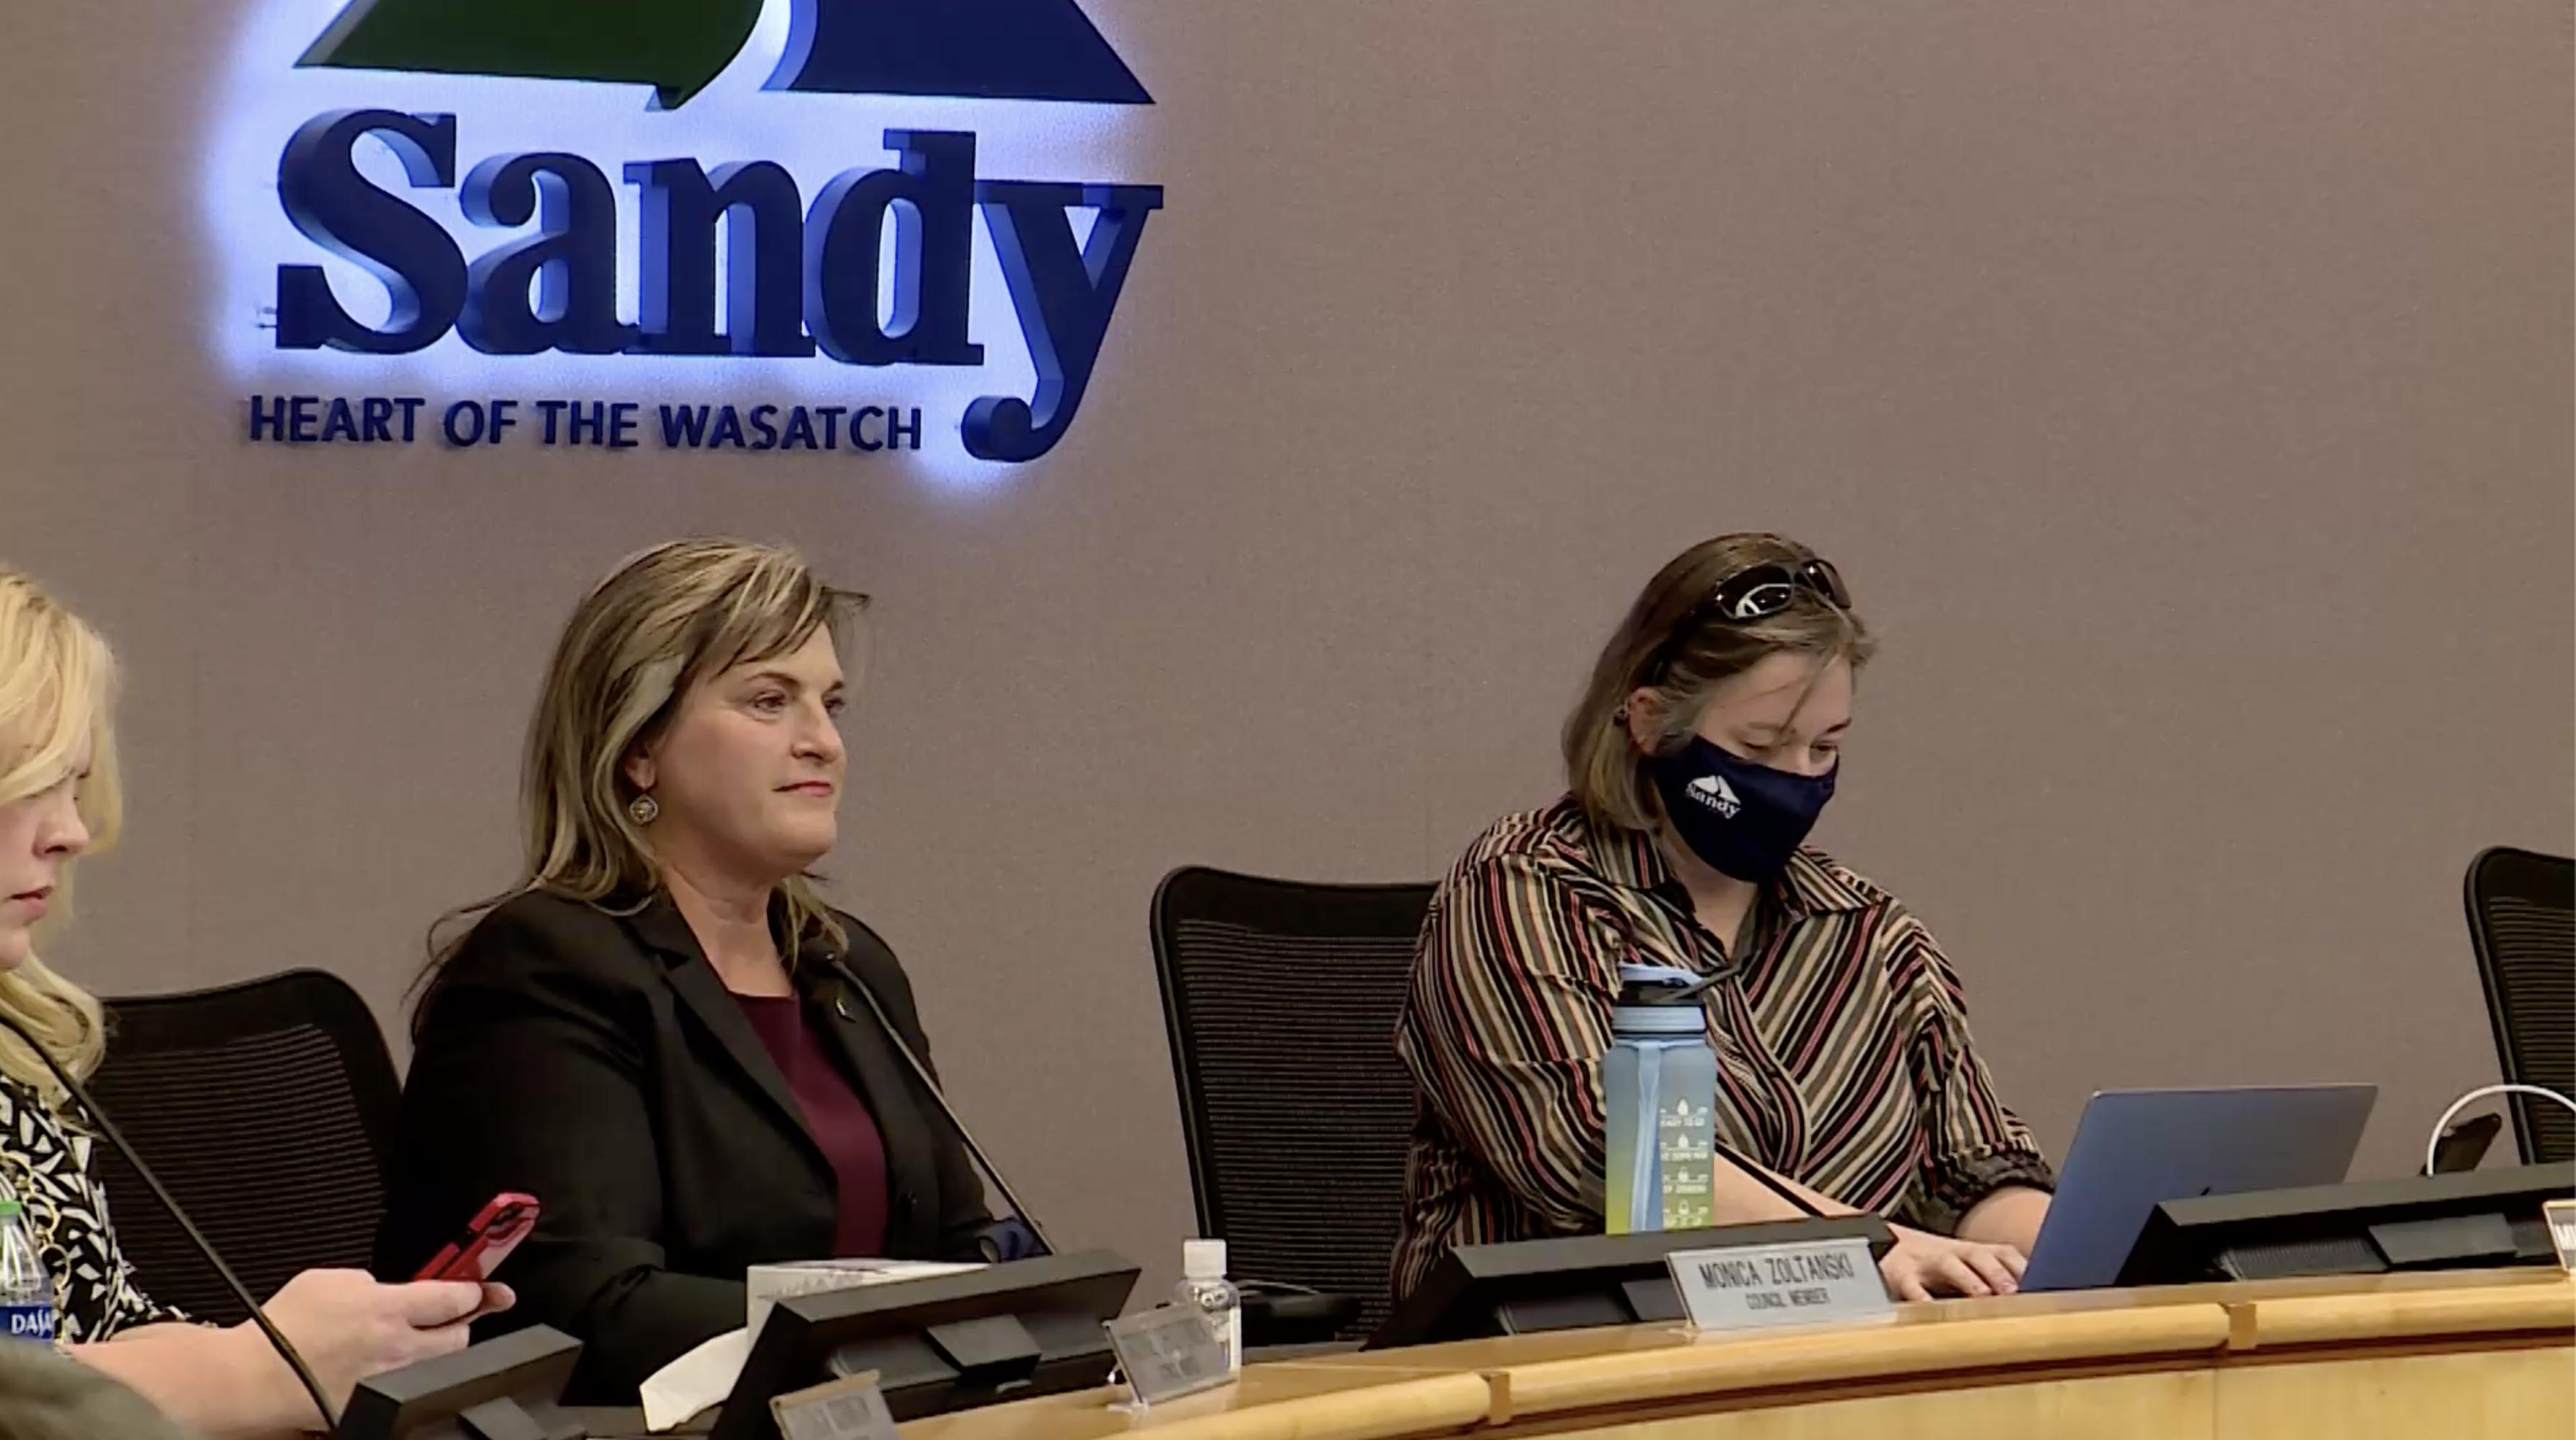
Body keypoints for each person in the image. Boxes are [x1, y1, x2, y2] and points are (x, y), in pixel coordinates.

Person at [376, 539, 1008, 1403]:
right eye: (769, 701)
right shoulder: (549, 966)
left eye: (831, 705)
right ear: (640, 749)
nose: (822, 742)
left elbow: (962, 1248)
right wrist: (881, 1329)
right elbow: (584, 1309)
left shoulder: (846, 966)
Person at [1391, 533, 2054, 1306]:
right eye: (1762, 744)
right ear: (1648, 721)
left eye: (1824, 748)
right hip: (1561, 1375)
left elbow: (1971, 1169)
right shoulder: (1522, 889)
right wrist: (1866, 1246)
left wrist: (2088, 1248)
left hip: (1831, 1380)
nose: (1798, 778)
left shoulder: (1867, 931)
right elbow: (1602, 1158)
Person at [0, 566, 505, 1438]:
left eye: (74, 786)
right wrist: (250, 1369)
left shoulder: (19, 1052)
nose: (73, 831)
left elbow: (102, 1333)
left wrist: (320, 1356)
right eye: (30, 782)